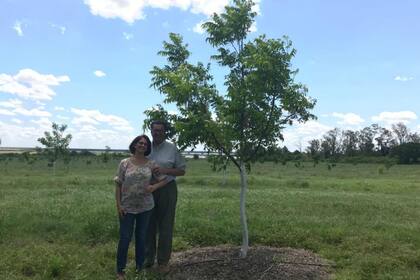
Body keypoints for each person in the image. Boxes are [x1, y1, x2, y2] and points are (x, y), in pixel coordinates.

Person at [114, 135, 168, 280]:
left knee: (141, 238)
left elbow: (164, 180)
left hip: (146, 207)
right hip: (127, 207)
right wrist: (119, 205)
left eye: (145, 143)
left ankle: (139, 268)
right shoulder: (124, 163)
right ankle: (120, 271)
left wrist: (153, 187)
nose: (142, 145)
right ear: (135, 145)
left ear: (147, 147)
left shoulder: (151, 164)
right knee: (125, 238)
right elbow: (118, 185)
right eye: (140, 142)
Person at [145, 120, 186, 271]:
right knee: (148, 225)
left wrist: (164, 170)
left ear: (165, 132)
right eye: (155, 130)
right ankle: (147, 259)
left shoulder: (172, 148)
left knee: (165, 225)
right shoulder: (145, 147)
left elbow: (182, 170)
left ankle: (163, 262)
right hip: (148, 189)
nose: (157, 133)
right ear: (151, 131)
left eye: (160, 130)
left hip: (167, 189)